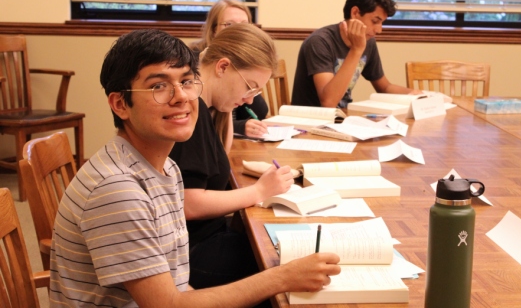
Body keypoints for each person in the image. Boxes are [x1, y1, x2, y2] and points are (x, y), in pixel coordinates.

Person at [49, 29, 341, 308]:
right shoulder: (118, 191)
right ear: (120, 104)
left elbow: (177, 283)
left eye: (187, 82)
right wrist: (281, 277)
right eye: (158, 86)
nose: (182, 97)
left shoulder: (167, 168)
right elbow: (168, 304)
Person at [169, 24, 295, 296]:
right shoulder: (192, 111)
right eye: (250, 87)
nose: (248, 100)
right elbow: (189, 203)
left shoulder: (207, 106)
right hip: (189, 250)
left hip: (201, 238)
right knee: (281, 269)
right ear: (222, 67)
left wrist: (227, 104)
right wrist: (260, 191)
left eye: (255, 93)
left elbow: (219, 161)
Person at [291, 0, 422, 108]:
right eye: (375, 21)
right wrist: (357, 49)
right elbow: (328, 102)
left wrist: (411, 94)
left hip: (342, 118)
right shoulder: (320, 41)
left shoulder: (368, 42)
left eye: (382, 23)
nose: (379, 30)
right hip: (310, 122)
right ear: (355, 13)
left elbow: (384, 87)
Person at [193, 0, 269, 139]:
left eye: (245, 26)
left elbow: (259, 111)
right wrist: (240, 126)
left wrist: (253, 85)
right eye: (230, 24)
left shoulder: (242, 69)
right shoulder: (195, 66)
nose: (240, 31)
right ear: (214, 30)